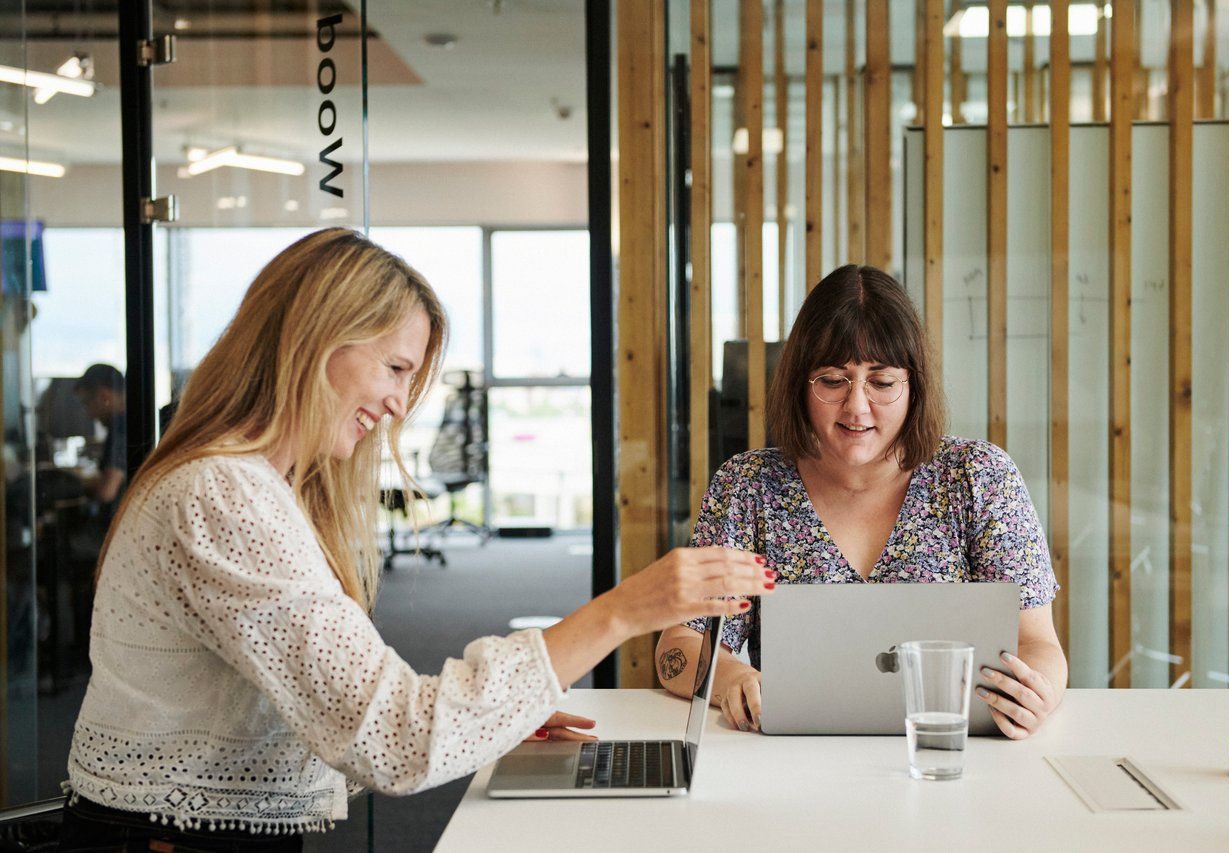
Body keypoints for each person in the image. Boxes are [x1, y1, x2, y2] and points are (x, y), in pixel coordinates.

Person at [59, 228, 774, 850]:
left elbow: (348, 698)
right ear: (315, 339)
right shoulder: (222, 496)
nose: (400, 404)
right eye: (396, 368)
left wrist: (497, 714)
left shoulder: (257, 486)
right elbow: (394, 740)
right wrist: (620, 612)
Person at [656, 265, 1066, 741]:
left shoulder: (979, 476)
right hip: (791, 760)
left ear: (914, 386)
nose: (856, 406)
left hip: (952, 754)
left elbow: (1037, 643)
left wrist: (1036, 695)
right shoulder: (748, 486)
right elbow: (678, 646)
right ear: (800, 385)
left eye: (882, 382)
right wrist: (732, 677)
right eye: (833, 380)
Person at [72, 363, 127, 510]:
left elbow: (107, 492)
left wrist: (76, 486)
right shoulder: (129, 422)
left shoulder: (121, 427)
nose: (89, 414)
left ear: (104, 397)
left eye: (86, 404)